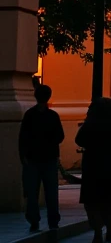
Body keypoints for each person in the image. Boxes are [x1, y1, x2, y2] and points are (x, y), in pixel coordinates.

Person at [76, 97, 111, 243]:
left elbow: (79, 140)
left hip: (93, 168)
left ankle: (97, 231)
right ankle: (109, 229)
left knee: (93, 202)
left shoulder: (90, 125)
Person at [19, 84, 64, 235]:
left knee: (32, 192)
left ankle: (34, 220)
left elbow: (22, 138)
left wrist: (23, 156)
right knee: (51, 192)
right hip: (49, 158)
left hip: (32, 159)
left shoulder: (29, 115)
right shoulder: (53, 116)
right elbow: (60, 137)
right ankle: (53, 222)